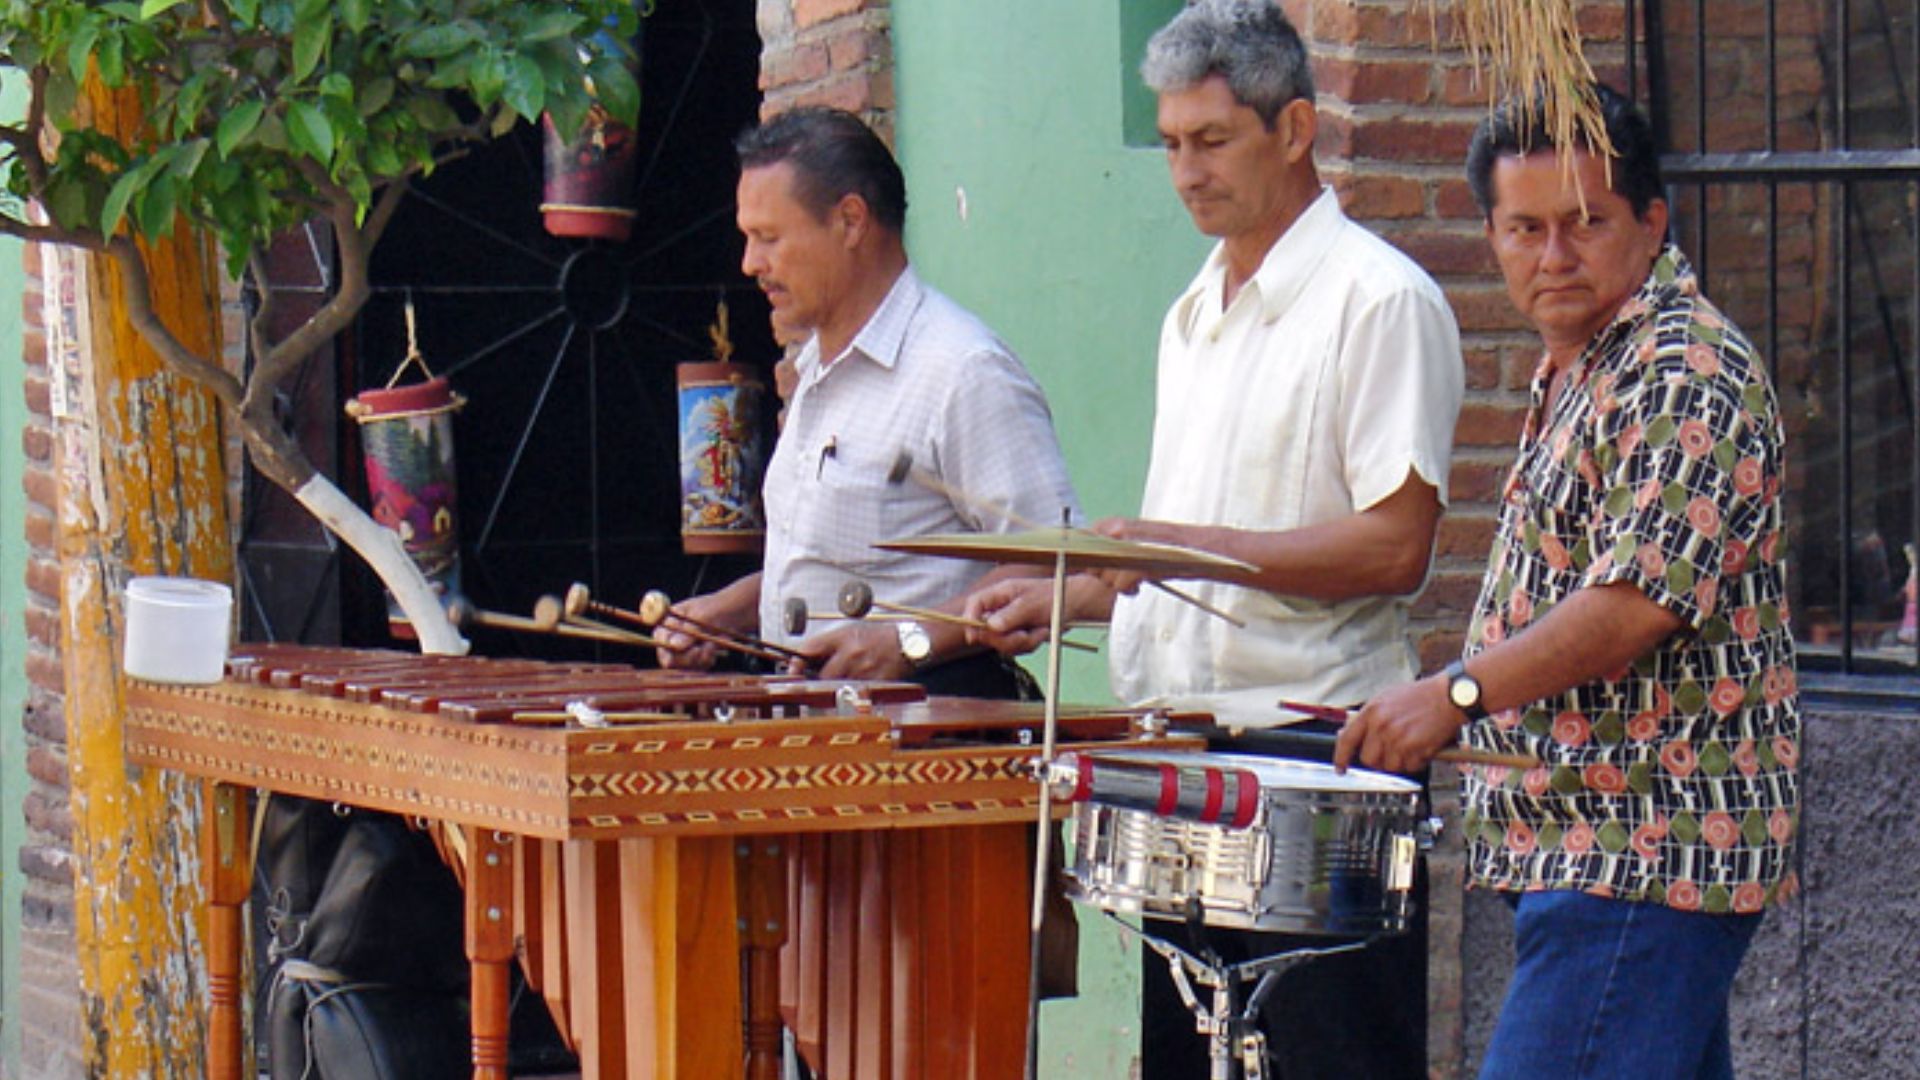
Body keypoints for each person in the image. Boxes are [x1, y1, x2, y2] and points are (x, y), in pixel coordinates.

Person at [966, 2, 1464, 1075]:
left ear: (1294, 129)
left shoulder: (1379, 301)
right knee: (1193, 1063)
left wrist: (1168, 545)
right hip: (1182, 751)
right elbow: (1202, 575)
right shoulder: (1190, 313)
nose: (1187, 171)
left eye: (1213, 141)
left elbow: (1396, 551)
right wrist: (1082, 593)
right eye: (1174, 145)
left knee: (1330, 1062)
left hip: (1318, 756)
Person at [1333, 83, 1800, 1079]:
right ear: (1493, 234)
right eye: (1525, 228)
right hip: (1598, 855)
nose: (1553, 256)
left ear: (1652, 222)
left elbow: (1633, 603)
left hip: (1643, 857)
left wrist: (1456, 693)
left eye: (1586, 224)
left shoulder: (1683, 371)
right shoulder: (1590, 360)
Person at [657, 106, 1080, 697]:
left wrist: (908, 642)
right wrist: (737, 608)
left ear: (851, 221)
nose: (750, 264)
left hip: (939, 740)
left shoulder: (962, 370)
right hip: (827, 739)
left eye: (768, 238)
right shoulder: (814, 371)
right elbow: (846, 568)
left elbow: (1055, 564)